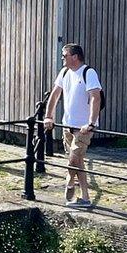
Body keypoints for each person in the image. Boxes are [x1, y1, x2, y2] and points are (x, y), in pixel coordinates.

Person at [43, 43, 103, 208]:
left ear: (75, 56)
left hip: (83, 128)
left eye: (65, 55)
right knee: (78, 162)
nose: (63, 58)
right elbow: (55, 95)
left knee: (73, 159)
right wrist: (48, 116)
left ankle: (69, 183)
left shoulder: (88, 72)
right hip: (67, 124)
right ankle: (85, 197)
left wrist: (90, 122)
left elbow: (95, 98)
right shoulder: (64, 72)